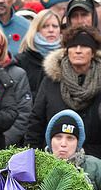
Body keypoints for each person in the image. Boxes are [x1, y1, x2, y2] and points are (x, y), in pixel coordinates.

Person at [25, 25, 101, 158]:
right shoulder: (51, 80)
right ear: (66, 51)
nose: (78, 50)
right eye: (73, 46)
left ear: (93, 52)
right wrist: (32, 158)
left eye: (84, 46)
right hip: (54, 159)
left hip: (95, 160)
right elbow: (36, 121)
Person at [15, 9, 62, 98]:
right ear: (36, 29)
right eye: (45, 26)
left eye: (55, 26)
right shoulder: (21, 60)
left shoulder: (67, 58)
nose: (51, 30)